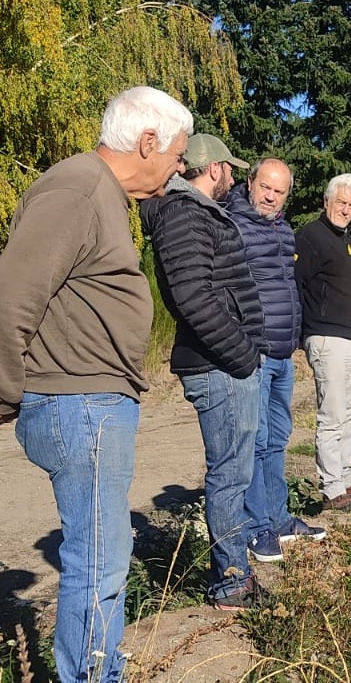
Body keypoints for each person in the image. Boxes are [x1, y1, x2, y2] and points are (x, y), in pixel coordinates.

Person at [0, 86, 191, 683]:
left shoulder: (99, 193)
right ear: (147, 142)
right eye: (176, 155)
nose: (179, 168)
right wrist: (8, 389)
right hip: (80, 405)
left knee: (102, 557)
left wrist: (11, 386)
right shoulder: (79, 188)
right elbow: (11, 295)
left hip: (88, 402)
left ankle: (97, 668)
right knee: (100, 561)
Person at [139, 133, 268, 610]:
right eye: (230, 169)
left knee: (234, 471)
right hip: (218, 365)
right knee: (230, 475)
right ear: (213, 169)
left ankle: (235, 573)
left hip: (223, 362)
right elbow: (192, 298)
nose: (233, 178)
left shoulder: (192, 213)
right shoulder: (184, 214)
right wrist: (242, 355)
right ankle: (232, 581)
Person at [225, 158, 326, 562]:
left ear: (287, 195)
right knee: (256, 440)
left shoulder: (282, 228)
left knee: (278, 439)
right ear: (251, 183)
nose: (270, 195)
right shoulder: (234, 223)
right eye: (265, 186)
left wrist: (297, 337)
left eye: (279, 190)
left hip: (284, 351)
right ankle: (256, 527)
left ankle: (279, 517)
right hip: (257, 351)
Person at [295, 174, 351, 511]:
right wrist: (303, 333)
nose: (345, 210)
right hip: (327, 337)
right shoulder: (309, 237)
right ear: (326, 201)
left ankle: (347, 477)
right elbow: (296, 286)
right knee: (332, 415)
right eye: (341, 203)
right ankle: (332, 487)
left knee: (349, 412)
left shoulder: (349, 242)